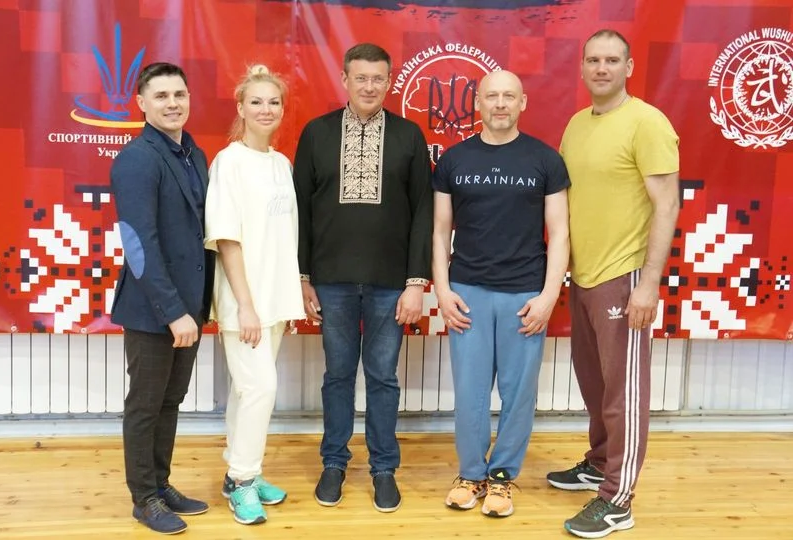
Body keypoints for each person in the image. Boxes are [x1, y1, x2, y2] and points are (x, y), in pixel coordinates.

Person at [547, 29, 680, 539]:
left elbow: (667, 205)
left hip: (624, 277)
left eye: (611, 60)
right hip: (584, 275)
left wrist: (648, 284)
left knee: (623, 393)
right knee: (595, 383)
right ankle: (601, 461)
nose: (601, 68)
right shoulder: (578, 124)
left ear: (628, 67)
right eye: (593, 60)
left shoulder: (647, 122)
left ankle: (617, 500)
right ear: (582, 67)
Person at [292, 42, 433, 513]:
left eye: (378, 78)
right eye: (361, 77)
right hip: (330, 281)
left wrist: (416, 282)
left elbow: (423, 211)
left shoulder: (409, 135)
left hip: (390, 283)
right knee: (336, 376)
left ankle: (383, 468)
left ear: (389, 82)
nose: (369, 86)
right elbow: (301, 209)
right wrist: (303, 277)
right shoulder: (316, 133)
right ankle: (333, 462)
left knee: (382, 378)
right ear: (344, 79)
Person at [432, 70, 570, 518]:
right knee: (470, 393)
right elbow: (439, 232)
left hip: (525, 295)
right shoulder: (454, 160)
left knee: (518, 393)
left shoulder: (545, 160)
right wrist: (442, 289)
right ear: (478, 103)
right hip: (467, 292)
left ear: (523, 102)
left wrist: (548, 296)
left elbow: (560, 233)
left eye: (509, 96)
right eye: (491, 96)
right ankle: (471, 474)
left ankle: (502, 477)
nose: (500, 104)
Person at [110, 62, 215, 535]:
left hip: (190, 307)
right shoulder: (137, 159)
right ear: (141, 103)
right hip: (154, 311)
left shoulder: (194, 154)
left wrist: (195, 308)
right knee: (146, 405)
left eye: (179, 94)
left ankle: (161, 483)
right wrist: (173, 312)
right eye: (161, 96)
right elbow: (139, 245)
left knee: (171, 401)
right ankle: (144, 498)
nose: (173, 103)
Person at [204, 64, 305, 526]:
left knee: (248, 392)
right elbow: (227, 238)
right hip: (244, 301)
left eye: (274, 102)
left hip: (275, 299)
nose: (266, 109)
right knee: (260, 388)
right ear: (241, 108)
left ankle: (243, 470)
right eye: (257, 102)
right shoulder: (229, 162)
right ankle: (242, 481)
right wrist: (244, 304)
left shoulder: (281, 164)